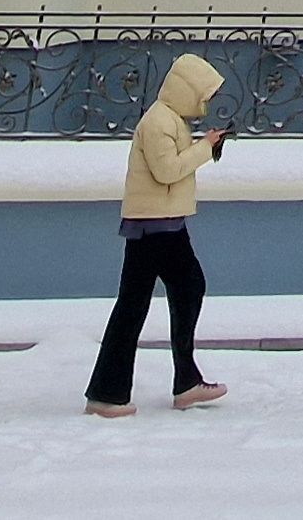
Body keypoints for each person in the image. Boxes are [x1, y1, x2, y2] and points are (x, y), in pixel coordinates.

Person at [84, 51, 233, 416]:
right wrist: (204, 148)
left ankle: (148, 387)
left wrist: (204, 146)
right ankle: (116, 393)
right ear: (186, 90)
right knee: (153, 299)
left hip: (163, 223)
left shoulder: (170, 121)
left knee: (163, 295)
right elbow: (167, 171)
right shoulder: (158, 123)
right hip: (154, 227)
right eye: (203, 93)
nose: (205, 102)